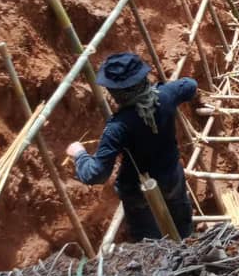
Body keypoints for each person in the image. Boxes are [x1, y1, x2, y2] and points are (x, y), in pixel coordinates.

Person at [66, 53, 196, 241]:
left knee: (151, 243)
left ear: (116, 92)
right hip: (171, 175)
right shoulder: (167, 95)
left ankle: (162, 264)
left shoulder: (118, 127)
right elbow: (190, 85)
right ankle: (190, 251)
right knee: (182, 225)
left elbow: (97, 174)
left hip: (139, 190)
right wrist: (166, 87)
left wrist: (79, 154)